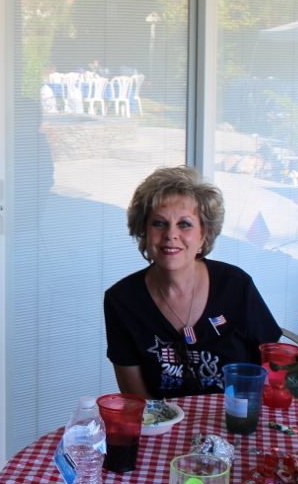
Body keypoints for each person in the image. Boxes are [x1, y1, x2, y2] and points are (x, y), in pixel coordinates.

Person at [104, 165, 281, 398]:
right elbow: (138, 401)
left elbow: (275, 369)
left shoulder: (236, 286)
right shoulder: (122, 300)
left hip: (234, 421)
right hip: (163, 428)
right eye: (159, 223)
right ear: (144, 232)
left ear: (203, 236)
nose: (171, 234)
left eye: (184, 224)